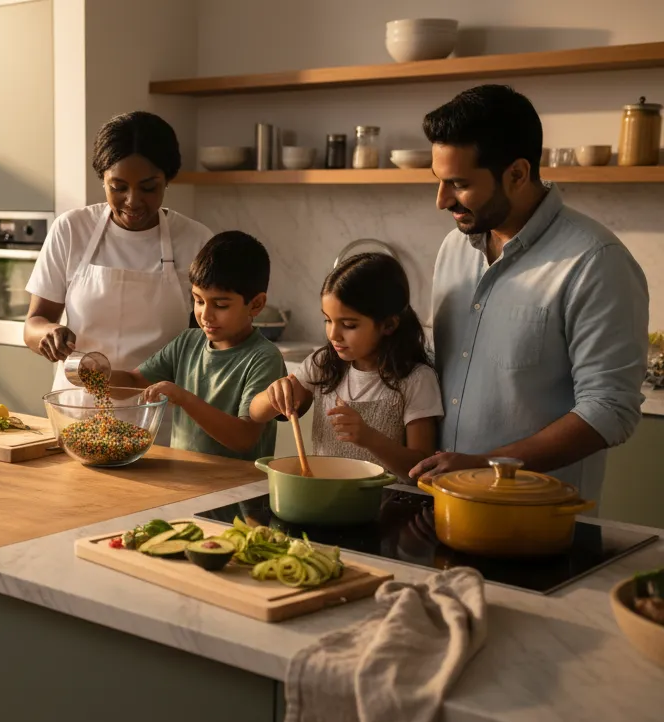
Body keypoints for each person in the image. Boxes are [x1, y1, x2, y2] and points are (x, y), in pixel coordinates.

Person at [409, 85, 648, 502]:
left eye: (459, 184)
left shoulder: (594, 261)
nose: (442, 200)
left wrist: (487, 466)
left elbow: (610, 408)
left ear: (517, 173)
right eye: (439, 181)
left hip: (539, 523)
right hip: (445, 506)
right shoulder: (454, 250)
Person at [23, 111, 213, 393]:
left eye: (148, 188)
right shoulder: (72, 230)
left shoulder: (196, 240)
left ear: (167, 180)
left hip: (158, 409)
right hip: (78, 406)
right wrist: (48, 333)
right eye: (118, 187)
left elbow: (208, 340)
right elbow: (33, 324)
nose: (133, 201)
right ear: (103, 179)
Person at [249, 253, 443, 479]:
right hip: (325, 497)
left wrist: (369, 438)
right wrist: (275, 393)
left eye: (349, 325)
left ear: (388, 324)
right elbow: (256, 413)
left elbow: (421, 468)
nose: (333, 334)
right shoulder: (324, 364)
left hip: (386, 502)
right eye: (328, 320)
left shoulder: (416, 379)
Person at [109, 231, 285, 460]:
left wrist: (183, 397)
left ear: (256, 304)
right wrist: (96, 375)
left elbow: (244, 438)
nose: (205, 315)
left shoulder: (263, 358)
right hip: (186, 483)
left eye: (220, 305)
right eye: (198, 301)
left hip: (240, 491)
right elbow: (134, 383)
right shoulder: (187, 343)